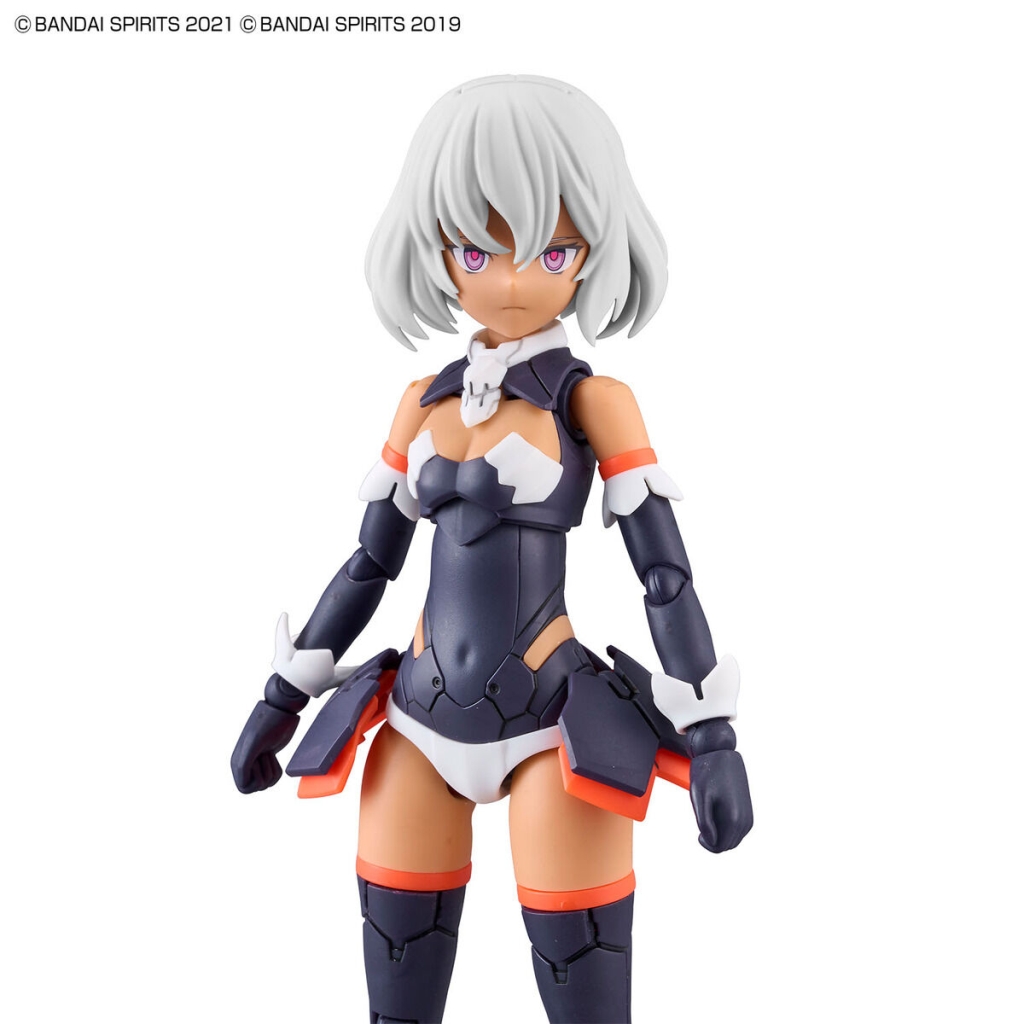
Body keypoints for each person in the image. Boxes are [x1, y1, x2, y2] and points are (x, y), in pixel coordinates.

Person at [231, 75, 752, 1024]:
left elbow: (664, 571)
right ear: (436, 247)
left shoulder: (595, 401)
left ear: (593, 252)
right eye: (478, 248)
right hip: (418, 721)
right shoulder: (419, 401)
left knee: (581, 975)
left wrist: (714, 739)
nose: (512, 280)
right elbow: (368, 564)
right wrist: (280, 697)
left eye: (553, 250)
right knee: (398, 974)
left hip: (553, 724)